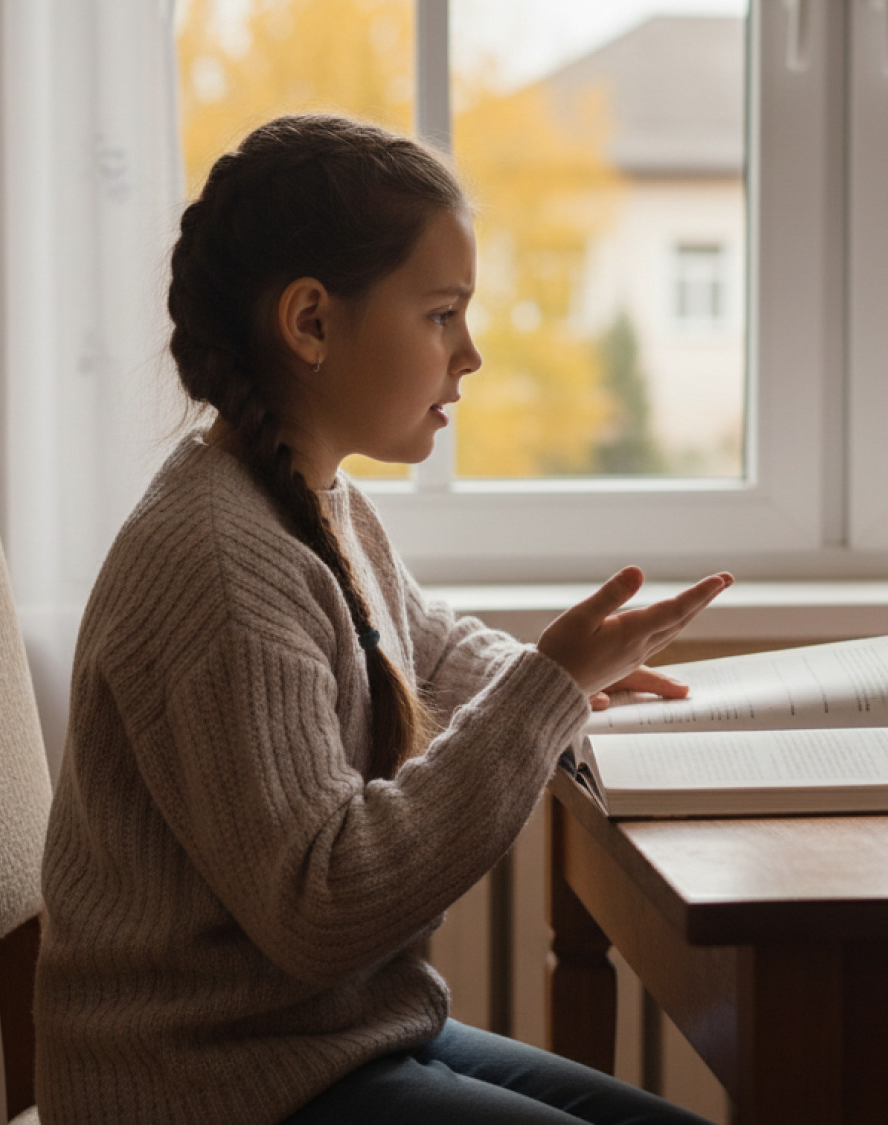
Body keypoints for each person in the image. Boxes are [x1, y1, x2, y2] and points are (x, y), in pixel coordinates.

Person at [35, 114, 731, 1124]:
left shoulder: (309, 500)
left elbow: (418, 646)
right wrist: (544, 691)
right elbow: (323, 907)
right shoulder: (222, 565)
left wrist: (579, 676)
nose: (472, 354)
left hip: (321, 1041)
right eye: (441, 314)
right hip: (208, 1088)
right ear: (311, 324)